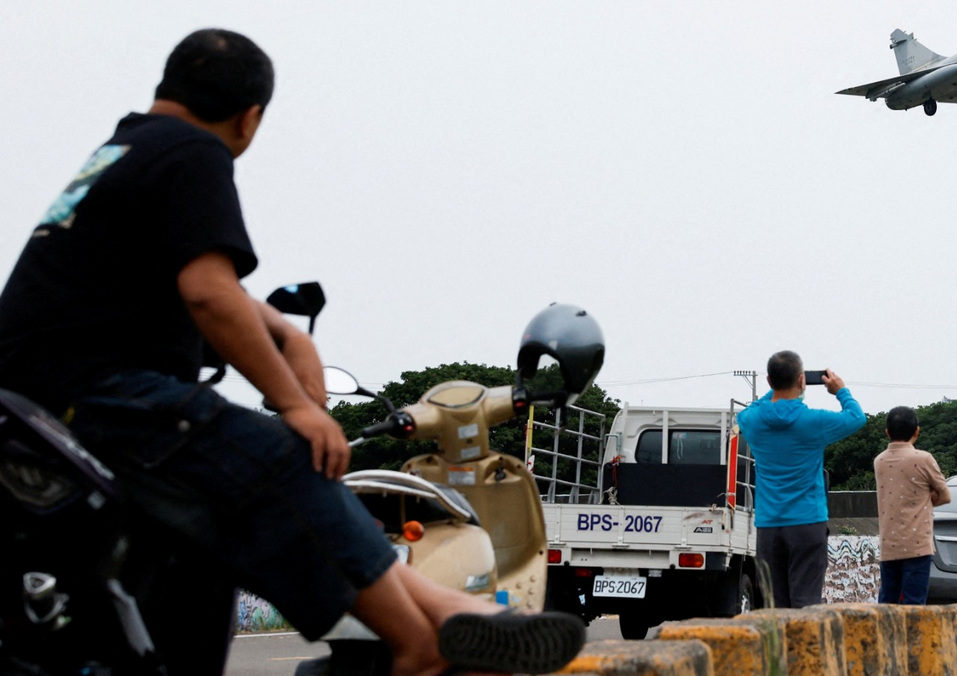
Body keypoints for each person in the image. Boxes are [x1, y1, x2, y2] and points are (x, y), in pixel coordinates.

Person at [0, 28, 583, 676]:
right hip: (93, 395)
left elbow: (208, 286)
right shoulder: (193, 150)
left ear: (168, 86)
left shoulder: (124, 151)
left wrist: (287, 333)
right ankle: (417, 640)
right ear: (250, 118)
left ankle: (443, 610)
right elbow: (208, 293)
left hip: (43, 405)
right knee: (285, 455)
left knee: (219, 516)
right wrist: (294, 406)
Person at [736, 351, 866, 608]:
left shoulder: (752, 421)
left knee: (775, 606)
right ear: (802, 380)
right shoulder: (814, 421)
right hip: (807, 522)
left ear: (769, 381)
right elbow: (856, 417)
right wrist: (841, 391)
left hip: (769, 526)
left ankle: (779, 650)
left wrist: (775, 390)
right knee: (805, 602)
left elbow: (752, 409)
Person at [873, 405, 951, 605]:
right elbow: (945, 495)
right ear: (917, 430)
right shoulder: (923, 459)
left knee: (888, 601)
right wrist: (925, 500)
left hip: (889, 543)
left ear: (887, 432)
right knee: (914, 602)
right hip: (917, 545)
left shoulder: (879, 461)